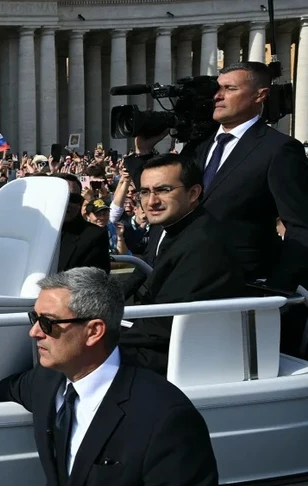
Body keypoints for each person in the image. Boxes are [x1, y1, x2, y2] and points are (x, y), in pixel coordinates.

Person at [0, 267, 227, 486]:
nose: (34, 332)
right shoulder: (46, 383)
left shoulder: (164, 416)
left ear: (94, 331)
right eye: (34, 318)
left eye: (48, 323)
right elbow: (3, 390)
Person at [129, 61, 308, 356]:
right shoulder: (200, 145)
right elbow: (166, 194)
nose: (218, 95)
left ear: (260, 95)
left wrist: (275, 292)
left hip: (237, 295)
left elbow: (301, 226)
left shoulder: (278, 149)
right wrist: (143, 154)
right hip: (174, 286)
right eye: (217, 88)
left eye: (229, 88)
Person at [119, 154, 247, 373]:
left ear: (194, 193)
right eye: (145, 192)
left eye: (164, 190)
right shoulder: (180, 228)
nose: (151, 201)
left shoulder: (203, 244)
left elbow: (164, 326)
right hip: (162, 342)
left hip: (178, 358)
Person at [55, 174, 110, 273]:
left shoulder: (94, 236)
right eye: (61, 197)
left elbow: (93, 283)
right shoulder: (29, 231)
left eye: (74, 199)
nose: (67, 203)